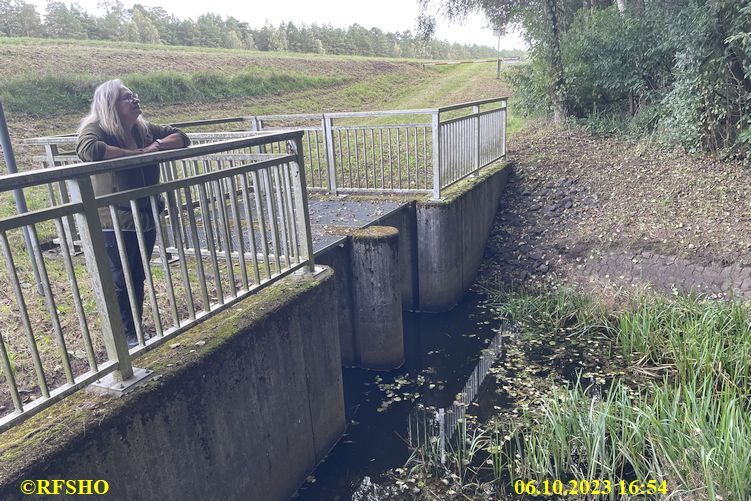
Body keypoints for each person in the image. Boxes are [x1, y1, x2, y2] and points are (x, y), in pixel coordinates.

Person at [76, 79, 190, 348]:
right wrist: (133, 154)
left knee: (136, 275)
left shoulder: (143, 129)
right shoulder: (97, 128)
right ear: (110, 104)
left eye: (134, 95)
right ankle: (123, 335)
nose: (135, 100)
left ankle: (133, 330)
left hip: (145, 215)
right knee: (120, 277)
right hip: (113, 219)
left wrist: (155, 146)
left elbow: (182, 137)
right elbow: (88, 149)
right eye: (127, 97)